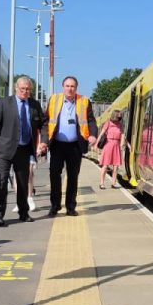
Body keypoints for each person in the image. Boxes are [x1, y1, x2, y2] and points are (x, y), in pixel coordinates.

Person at [0, 76, 45, 227]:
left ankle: (23, 213)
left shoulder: (34, 105)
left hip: (24, 149)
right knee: (1, 182)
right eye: (23, 89)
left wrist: (43, 141)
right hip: (5, 149)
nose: (25, 92)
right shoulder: (5, 103)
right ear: (16, 88)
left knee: (23, 183)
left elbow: (43, 125)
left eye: (28, 89)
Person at [44, 76, 97, 216]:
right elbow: (46, 120)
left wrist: (93, 134)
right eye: (67, 86)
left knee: (73, 177)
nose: (70, 89)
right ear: (63, 87)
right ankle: (54, 206)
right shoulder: (54, 99)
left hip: (75, 146)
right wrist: (43, 140)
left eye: (72, 86)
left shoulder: (84, 101)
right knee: (54, 175)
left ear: (76, 88)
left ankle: (70, 207)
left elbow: (91, 120)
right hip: (57, 145)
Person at [97, 109, 125, 188]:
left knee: (116, 166)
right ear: (115, 116)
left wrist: (122, 144)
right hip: (108, 145)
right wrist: (96, 144)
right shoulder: (108, 123)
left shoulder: (120, 125)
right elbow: (101, 134)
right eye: (119, 116)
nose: (120, 117)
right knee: (105, 165)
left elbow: (122, 134)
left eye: (120, 116)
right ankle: (101, 183)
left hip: (116, 146)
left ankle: (113, 183)